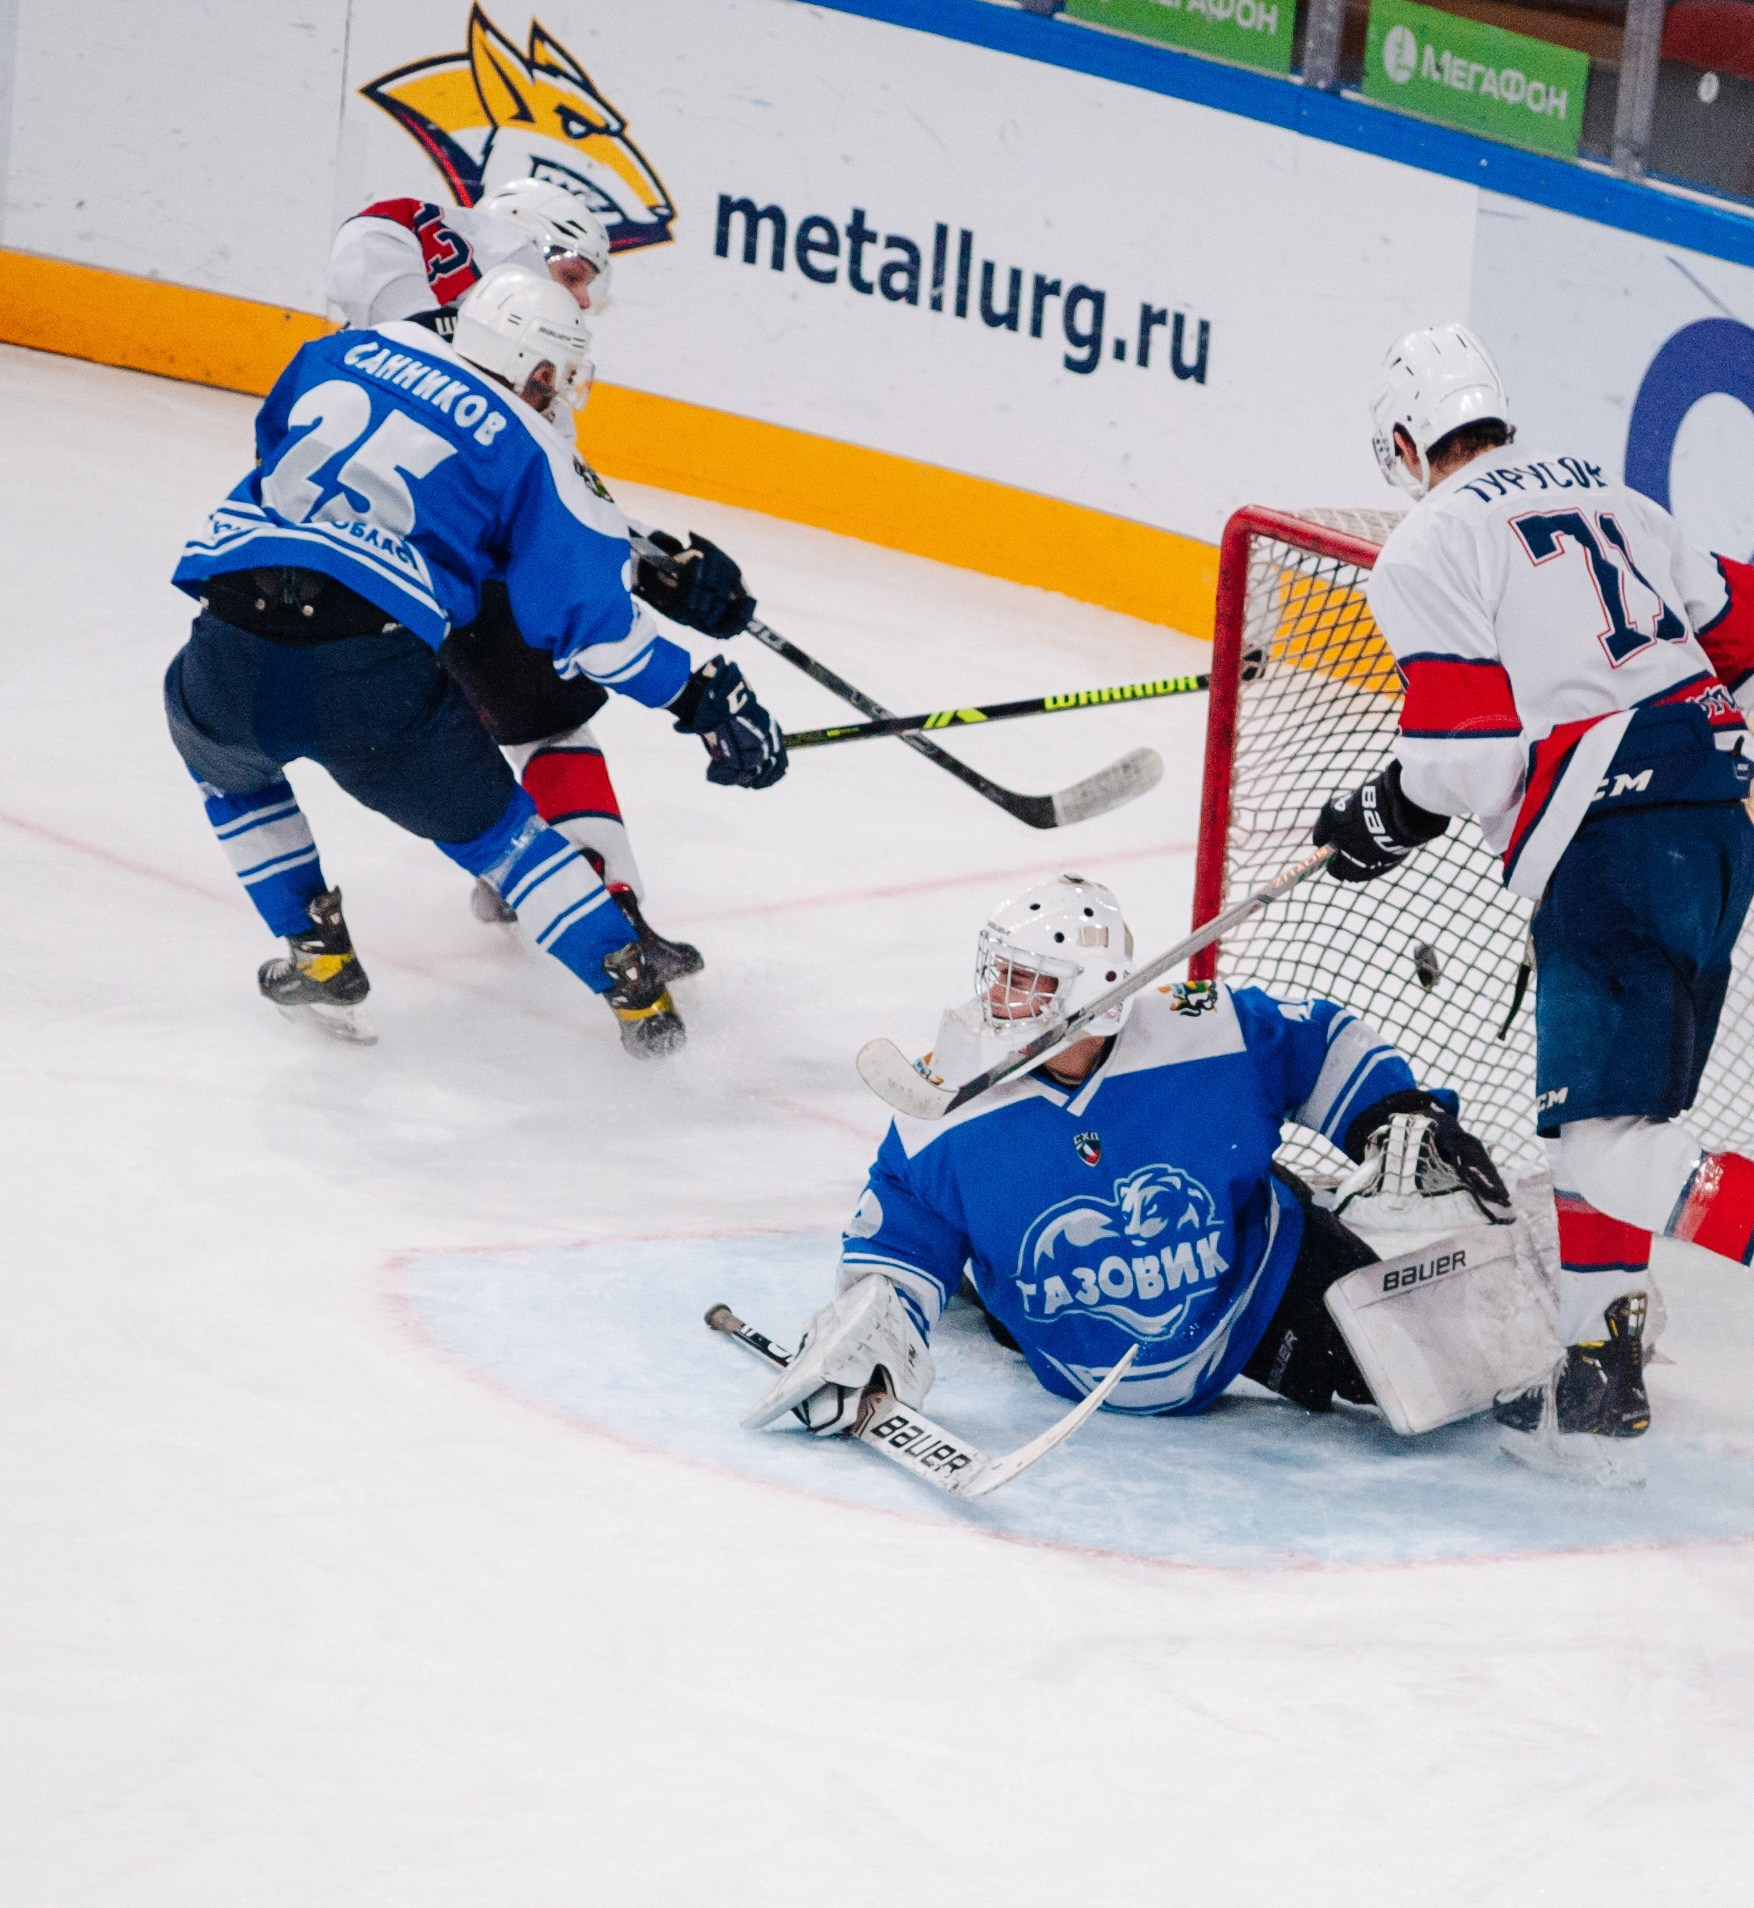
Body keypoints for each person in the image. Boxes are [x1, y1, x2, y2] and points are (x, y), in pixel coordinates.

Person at [1307, 323, 1754, 1465]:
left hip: (1611, 847)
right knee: (1612, 1126)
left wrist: (1378, 817)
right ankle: (1603, 1366)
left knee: (1606, 1153)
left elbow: (1469, 760)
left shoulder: (1426, 542)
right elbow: (1745, 623)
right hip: (1710, 830)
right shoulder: (1614, 494)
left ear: (1408, 443)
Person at [164, 266, 787, 1056]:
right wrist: (695, 695)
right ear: (535, 370)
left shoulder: (345, 350)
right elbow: (592, 631)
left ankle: (316, 952)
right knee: (505, 840)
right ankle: (628, 983)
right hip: (369, 670)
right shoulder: (532, 446)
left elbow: (278, 446)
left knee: (228, 768)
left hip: (229, 641)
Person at [740, 876, 1513, 1433]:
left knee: (1435, 1367)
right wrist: (871, 1331)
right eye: (999, 975)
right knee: (975, 1250)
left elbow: (1318, 1041)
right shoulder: (944, 1099)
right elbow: (901, 1227)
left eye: (1024, 982)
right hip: (1057, 1325)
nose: (995, 999)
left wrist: (1391, 1116)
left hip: (1252, 1283)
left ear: (1093, 999)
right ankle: (983, 1291)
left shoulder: (1205, 1032)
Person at [328, 176, 756, 978]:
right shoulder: (509, 341)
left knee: (459, 732)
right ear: (520, 241)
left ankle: (529, 880)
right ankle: (604, 909)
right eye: (575, 273)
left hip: (347, 571)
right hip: (455, 579)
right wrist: (651, 579)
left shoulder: (405, 327)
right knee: (546, 722)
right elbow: (539, 521)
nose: (583, 301)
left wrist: (659, 555)